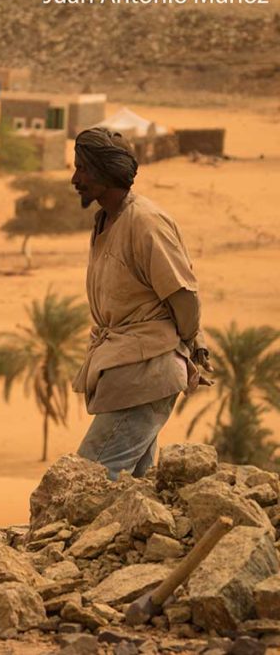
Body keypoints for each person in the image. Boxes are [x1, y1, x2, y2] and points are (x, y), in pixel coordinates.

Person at [70, 128, 212, 480]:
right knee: (133, 486)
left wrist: (185, 341)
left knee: (90, 480)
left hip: (146, 369)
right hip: (127, 366)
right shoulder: (107, 219)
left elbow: (183, 296)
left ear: (107, 172)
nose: (75, 179)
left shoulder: (145, 222)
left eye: (83, 169)